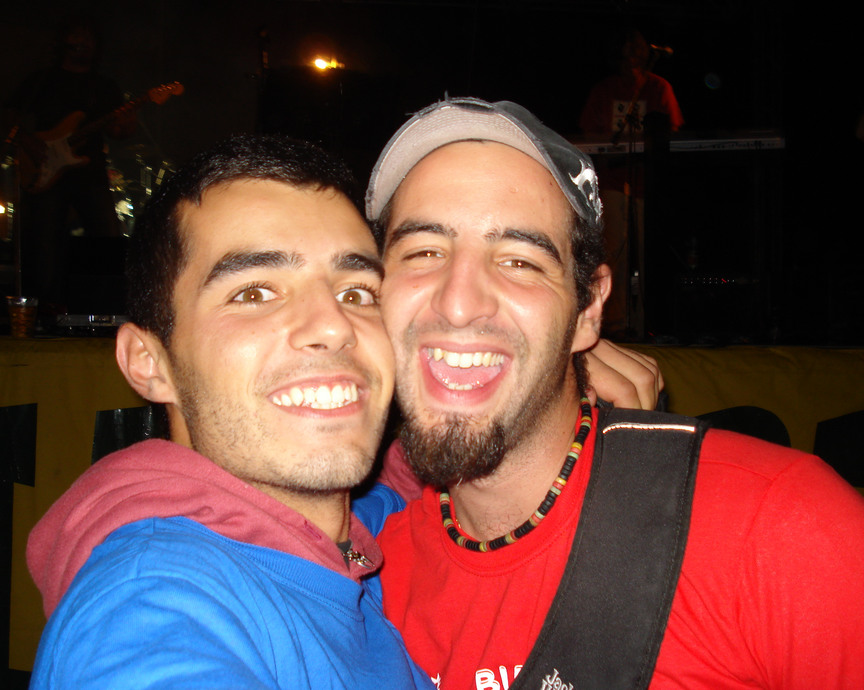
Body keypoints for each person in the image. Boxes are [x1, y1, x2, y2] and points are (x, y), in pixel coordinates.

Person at [366, 97, 864, 688]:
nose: (457, 302)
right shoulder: (366, 586)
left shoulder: (781, 528)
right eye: (424, 252)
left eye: (520, 261)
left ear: (588, 310)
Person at [25, 134, 433, 689]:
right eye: (254, 293)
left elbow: (413, 471)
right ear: (149, 362)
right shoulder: (152, 602)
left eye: (357, 293)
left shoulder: (367, 520)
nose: (334, 326)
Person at [5, 13, 136, 314]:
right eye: (76, 36)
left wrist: (127, 123)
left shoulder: (103, 86)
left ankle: (106, 310)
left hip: (89, 172)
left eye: (88, 38)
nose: (82, 42)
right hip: (46, 170)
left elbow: (118, 132)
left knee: (107, 238)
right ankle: (45, 312)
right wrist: (27, 141)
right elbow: (10, 116)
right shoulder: (42, 80)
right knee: (44, 243)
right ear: (63, 41)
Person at [579, 28, 684, 336]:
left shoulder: (659, 88)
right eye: (626, 51)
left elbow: (672, 132)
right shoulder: (604, 90)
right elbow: (589, 134)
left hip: (648, 186)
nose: (632, 57)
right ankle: (615, 324)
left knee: (649, 255)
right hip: (613, 182)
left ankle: (647, 324)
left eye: (637, 50)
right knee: (615, 255)